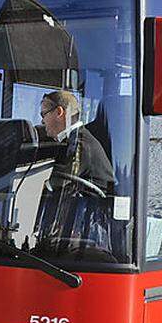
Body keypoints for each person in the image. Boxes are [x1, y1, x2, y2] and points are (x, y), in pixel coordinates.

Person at [33, 90, 116, 260]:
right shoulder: (74, 141)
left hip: (89, 235)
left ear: (59, 112)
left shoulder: (79, 144)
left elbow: (59, 190)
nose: (42, 120)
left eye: (43, 114)